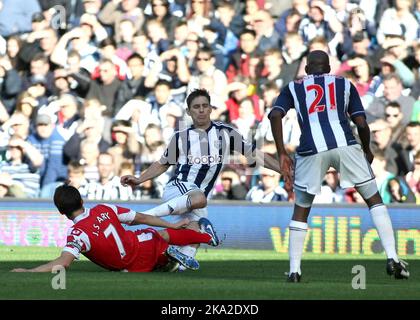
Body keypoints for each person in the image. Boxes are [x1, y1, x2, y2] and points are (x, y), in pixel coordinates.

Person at [269, 50, 409, 282]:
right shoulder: (344, 84)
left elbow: (275, 115)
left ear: (306, 69)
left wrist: (282, 152)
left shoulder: (293, 87)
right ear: (329, 67)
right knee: (374, 199)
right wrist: (366, 148)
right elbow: (361, 122)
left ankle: (294, 270)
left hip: (311, 149)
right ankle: (392, 257)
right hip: (345, 144)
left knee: (301, 209)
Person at [121, 88, 280, 269]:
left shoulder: (226, 133)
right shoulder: (182, 137)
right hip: (178, 188)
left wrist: (282, 169)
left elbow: (256, 154)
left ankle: (170, 260)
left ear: (211, 108)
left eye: (205, 105)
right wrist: (139, 179)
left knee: (196, 232)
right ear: (189, 112)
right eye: (196, 107)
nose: (202, 110)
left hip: (196, 198)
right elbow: (162, 164)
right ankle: (145, 216)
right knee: (200, 199)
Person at [11, 183, 220, 273]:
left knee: (161, 264)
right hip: (144, 240)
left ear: (60, 211)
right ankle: (203, 237)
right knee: (163, 234)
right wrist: (172, 224)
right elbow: (143, 217)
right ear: (82, 201)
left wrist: (29, 270)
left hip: (133, 265)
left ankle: (170, 257)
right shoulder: (104, 208)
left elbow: (63, 263)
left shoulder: (77, 234)